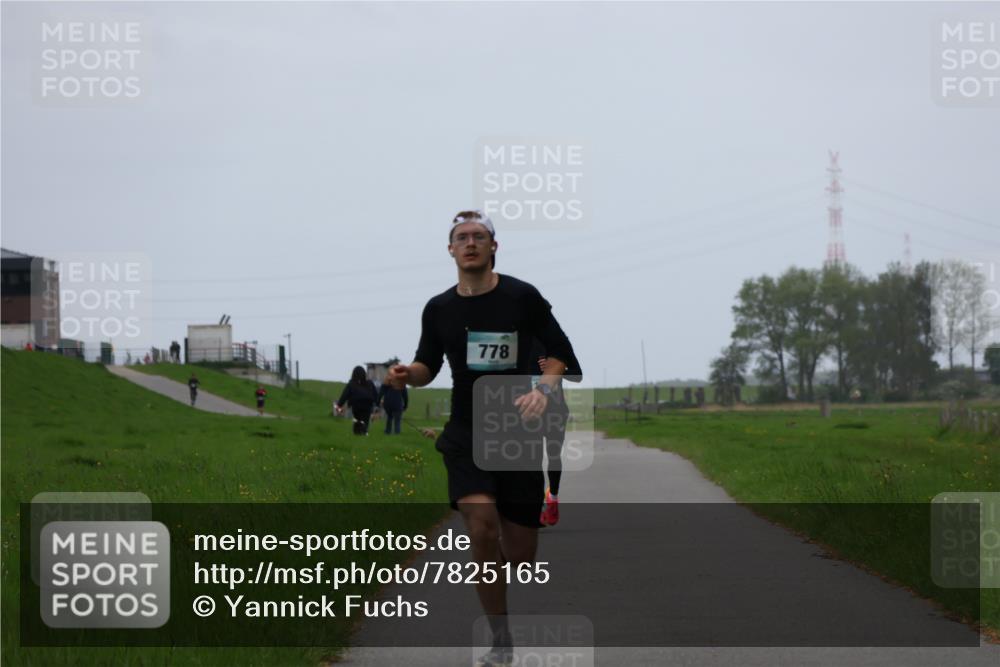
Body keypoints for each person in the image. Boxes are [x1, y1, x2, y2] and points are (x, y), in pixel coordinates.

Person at [386, 210, 581, 667]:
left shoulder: (522, 296)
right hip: (466, 434)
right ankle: (501, 640)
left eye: (479, 236)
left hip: (516, 438)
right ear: (450, 250)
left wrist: (543, 389)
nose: (470, 243)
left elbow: (562, 358)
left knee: (521, 555)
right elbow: (426, 366)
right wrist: (405, 375)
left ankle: (496, 551)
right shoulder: (439, 308)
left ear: (494, 247)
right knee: (480, 527)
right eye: (461, 237)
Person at [534, 349, 577, 528]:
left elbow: (577, 375)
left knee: (553, 455)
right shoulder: (519, 340)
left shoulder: (554, 342)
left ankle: (552, 499)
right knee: (531, 459)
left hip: (555, 411)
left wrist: (556, 371)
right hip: (531, 411)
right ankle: (535, 507)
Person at [335, 366, 380, 435]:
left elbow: (344, 395)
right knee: (365, 422)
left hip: (356, 407)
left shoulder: (351, 384)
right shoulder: (369, 383)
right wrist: (377, 406)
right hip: (367, 407)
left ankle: (357, 434)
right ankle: (364, 434)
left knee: (357, 421)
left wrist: (339, 405)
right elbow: (376, 395)